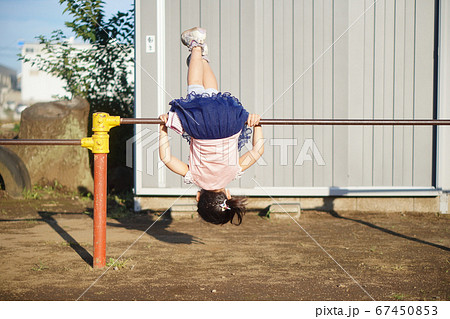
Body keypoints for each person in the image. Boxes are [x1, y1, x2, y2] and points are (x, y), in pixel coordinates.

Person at [159, 27, 264, 225]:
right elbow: (166, 158)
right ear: (198, 197)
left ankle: (203, 58)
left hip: (229, 123)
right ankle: (195, 44)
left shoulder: (234, 172)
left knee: (213, 94)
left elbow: (258, 151)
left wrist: (256, 123)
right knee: (195, 88)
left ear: (228, 194)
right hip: (203, 127)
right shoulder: (195, 177)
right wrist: (163, 128)